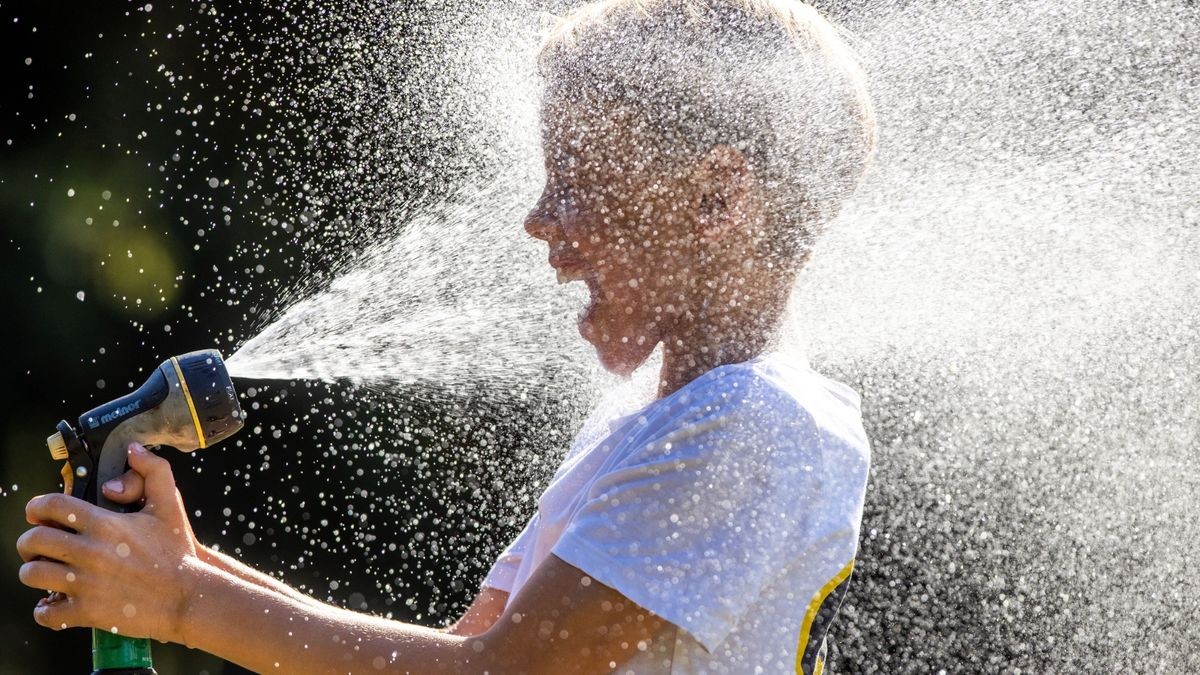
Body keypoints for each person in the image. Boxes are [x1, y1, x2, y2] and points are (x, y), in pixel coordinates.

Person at [16, 1, 876, 672]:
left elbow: (503, 673)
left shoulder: (746, 421)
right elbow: (465, 649)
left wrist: (182, 600)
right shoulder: (646, 419)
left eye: (574, 178)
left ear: (717, 199)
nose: (539, 219)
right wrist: (185, 570)